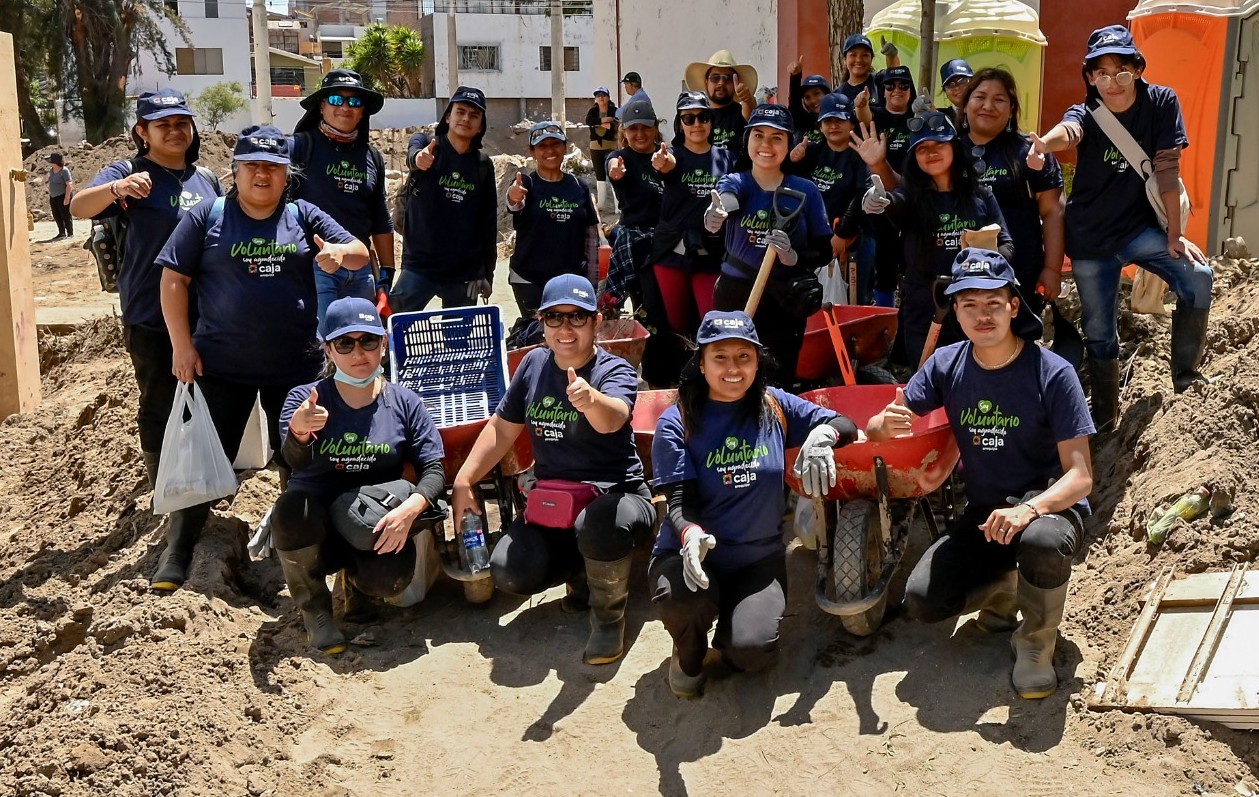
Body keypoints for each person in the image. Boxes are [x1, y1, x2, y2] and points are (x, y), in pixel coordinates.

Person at [867, 249, 1094, 699]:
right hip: (987, 513)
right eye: (969, 304)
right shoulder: (947, 364)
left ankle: (1035, 643)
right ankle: (1006, 590)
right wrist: (880, 428)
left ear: (1014, 306)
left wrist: (1029, 510)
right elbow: (885, 422)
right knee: (924, 600)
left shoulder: (1053, 373)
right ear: (956, 310)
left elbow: (1080, 477)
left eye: (993, 302)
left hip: (1050, 509)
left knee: (1041, 542)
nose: (982, 315)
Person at [154, 125, 368, 592]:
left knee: (301, 461)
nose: (263, 175)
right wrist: (181, 345)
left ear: (286, 174)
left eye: (273, 167)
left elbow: (359, 252)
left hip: (294, 369)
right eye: (253, 166)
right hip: (221, 367)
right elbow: (173, 280)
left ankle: (302, 551)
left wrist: (337, 252)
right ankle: (179, 549)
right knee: (204, 463)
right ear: (235, 170)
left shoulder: (303, 215)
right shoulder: (207, 216)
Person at [650, 310, 859, 697]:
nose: (734, 368)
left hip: (757, 558)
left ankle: (731, 638)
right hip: (693, 552)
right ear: (701, 363)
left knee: (752, 651)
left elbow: (847, 422)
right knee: (680, 597)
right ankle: (689, 653)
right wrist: (691, 535)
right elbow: (679, 502)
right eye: (721, 357)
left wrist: (825, 434)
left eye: (744, 357)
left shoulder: (774, 405)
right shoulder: (677, 420)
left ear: (758, 360)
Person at [451, 274, 656, 665]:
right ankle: (582, 573)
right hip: (558, 503)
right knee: (510, 570)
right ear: (541, 323)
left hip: (619, 499)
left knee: (597, 524)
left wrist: (591, 399)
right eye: (554, 318)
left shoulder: (614, 371)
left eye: (577, 318)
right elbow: (501, 428)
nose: (566, 329)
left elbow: (613, 419)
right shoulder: (532, 364)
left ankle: (608, 619)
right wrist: (464, 480)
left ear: (596, 322)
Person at [1028, 25, 1212, 431]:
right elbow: (1069, 130)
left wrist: (1175, 234)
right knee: (1099, 330)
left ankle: (1185, 377)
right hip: (1091, 240)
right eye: (1102, 73)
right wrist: (1045, 143)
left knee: (1198, 277)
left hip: (1138, 232)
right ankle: (1106, 417)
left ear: (1139, 69)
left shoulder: (1161, 102)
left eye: (1122, 70)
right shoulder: (1086, 112)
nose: (1114, 82)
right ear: (1090, 77)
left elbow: (1167, 169)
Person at [70, 88, 223, 493]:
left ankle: (205, 477)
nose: (174, 131)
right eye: (163, 125)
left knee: (207, 398)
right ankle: (165, 485)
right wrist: (118, 190)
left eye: (181, 123)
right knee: (159, 402)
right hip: (149, 312)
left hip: (207, 313)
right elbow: (78, 207)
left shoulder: (206, 179)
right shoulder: (127, 173)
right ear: (143, 132)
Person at [273, 297, 446, 654]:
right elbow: (294, 461)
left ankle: (359, 588)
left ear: (383, 343)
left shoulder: (404, 402)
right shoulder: (305, 399)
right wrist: (300, 431)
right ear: (328, 349)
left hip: (370, 520)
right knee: (290, 510)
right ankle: (316, 612)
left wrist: (411, 509)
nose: (358, 352)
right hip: (315, 524)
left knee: (392, 579)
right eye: (345, 343)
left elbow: (433, 468)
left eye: (368, 340)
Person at [861, 111, 1012, 368]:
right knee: (927, 384)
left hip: (975, 309)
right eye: (922, 149)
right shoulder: (910, 195)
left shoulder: (981, 196)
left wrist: (980, 258)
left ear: (954, 147)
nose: (931, 153)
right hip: (923, 309)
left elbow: (1006, 246)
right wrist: (879, 200)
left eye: (939, 145)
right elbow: (896, 204)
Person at [704, 104, 831, 385]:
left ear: (789, 145)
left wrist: (792, 256)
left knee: (777, 377)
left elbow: (825, 250)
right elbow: (725, 200)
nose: (766, 145)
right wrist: (714, 215)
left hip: (785, 301)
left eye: (777, 138)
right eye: (758, 135)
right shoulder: (736, 182)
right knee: (732, 374)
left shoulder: (805, 191)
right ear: (747, 140)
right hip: (735, 295)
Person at [960, 68, 1065, 316]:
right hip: (962, 273)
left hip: (1020, 274)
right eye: (980, 97)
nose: (988, 105)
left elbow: (1053, 211)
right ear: (965, 106)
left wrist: (1052, 269)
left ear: (1011, 111)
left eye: (999, 100)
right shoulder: (947, 152)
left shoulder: (1031, 153)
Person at [289, 69, 390, 320]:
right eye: (336, 100)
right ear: (321, 107)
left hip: (360, 271)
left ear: (362, 110)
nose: (345, 107)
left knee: (360, 346)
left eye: (354, 101)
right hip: (316, 267)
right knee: (322, 346)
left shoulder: (372, 157)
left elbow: (380, 216)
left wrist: (387, 271)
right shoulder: (299, 147)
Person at [393, 86, 497, 312]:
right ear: (448, 116)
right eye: (460, 111)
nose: (466, 118)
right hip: (418, 268)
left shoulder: (482, 165)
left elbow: (488, 224)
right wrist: (417, 159)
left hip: (464, 275)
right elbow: (415, 148)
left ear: (481, 125)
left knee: (458, 345)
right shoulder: (429, 148)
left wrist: (486, 274)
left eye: (474, 115)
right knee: (395, 333)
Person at [649, 92, 736, 341]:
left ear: (711, 121)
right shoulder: (672, 155)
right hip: (672, 252)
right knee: (676, 324)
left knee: (711, 322)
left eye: (703, 117)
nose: (697, 124)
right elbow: (667, 165)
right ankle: (680, 377)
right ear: (680, 123)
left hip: (711, 253)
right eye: (689, 118)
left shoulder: (727, 158)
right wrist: (662, 162)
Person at [505, 122, 600, 322]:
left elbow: (591, 237)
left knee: (565, 334)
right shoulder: (527, 184)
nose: (550, 150)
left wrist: (592, 282)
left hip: (569, 280)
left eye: (555, 144)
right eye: (542, 146)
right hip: (529, 279)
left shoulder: (578, 186)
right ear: (532, 151)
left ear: (565, 147)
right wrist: (512, 196)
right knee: (535, 334)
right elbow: (514, 203)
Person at [786, 93, 872, 302]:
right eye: (827, 121)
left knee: (853, 301)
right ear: (820, 126)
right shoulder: (812, 152)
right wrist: (791, 161)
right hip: (813, 239)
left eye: (839, 120)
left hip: (852, 241)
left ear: (851, 122)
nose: (833, 126)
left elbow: (862, 194)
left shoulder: (862, 154)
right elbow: (791, 186)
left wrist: (843, 233)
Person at [602, 99, 664, 314]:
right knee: (645, 304)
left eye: (646, 127)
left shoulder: (667, 156)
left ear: (655, 128)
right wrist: (615, 171)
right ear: (624, 131)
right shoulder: (620, 158)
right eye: (633, 128)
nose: (640, 134)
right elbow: (613, 167)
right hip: (636, 245)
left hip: (668, 242)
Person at [685, 50, 758, 152]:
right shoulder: (696, 116)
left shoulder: (741, 113)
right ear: (706, 82)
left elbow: (753, 116)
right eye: (715, 78)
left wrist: (747, 99)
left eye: (728, 78)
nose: (721, 83)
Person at [586, 86, 619, 213]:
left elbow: (615, 124)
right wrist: (605, 120)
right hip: (595, 147)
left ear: (608, 97)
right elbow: (589, 121)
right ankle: (601, 204)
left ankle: (617, 206)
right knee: (600, 176)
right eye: (598, 95)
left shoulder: (613, 110)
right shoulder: (593, 111)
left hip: (610, 146)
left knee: (613, 175)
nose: (601, 98)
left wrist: (598, 123)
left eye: (603, 95)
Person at [785, 56, 831, 143]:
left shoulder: (838, 121)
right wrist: (795, 77)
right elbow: (794, 102)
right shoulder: (802, 120)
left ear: (827, 94)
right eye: (807, 97)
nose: (813, 100)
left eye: (817, 93)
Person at [836, 34, 880, 106]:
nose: (859, 60)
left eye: (865, 55)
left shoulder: (879, 82)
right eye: (853, 55)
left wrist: (891, 56)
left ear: (871, 59)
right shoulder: (837, 94)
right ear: (844, 59)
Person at [46, 153, 75, 240]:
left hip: (62, 196)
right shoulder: (51, 170)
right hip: (53, 196)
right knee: (57, 215)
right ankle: (61, 232)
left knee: (66, 215)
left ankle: (70, 233)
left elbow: (69, 185)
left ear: (55, 162)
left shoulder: (64, 171)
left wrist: (67, 198)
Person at [940, 59, 974, 125]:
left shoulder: (985, 112)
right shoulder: (940, 117)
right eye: (950, 84)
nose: (957, 87)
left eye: (962, 81)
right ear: (945, 92)